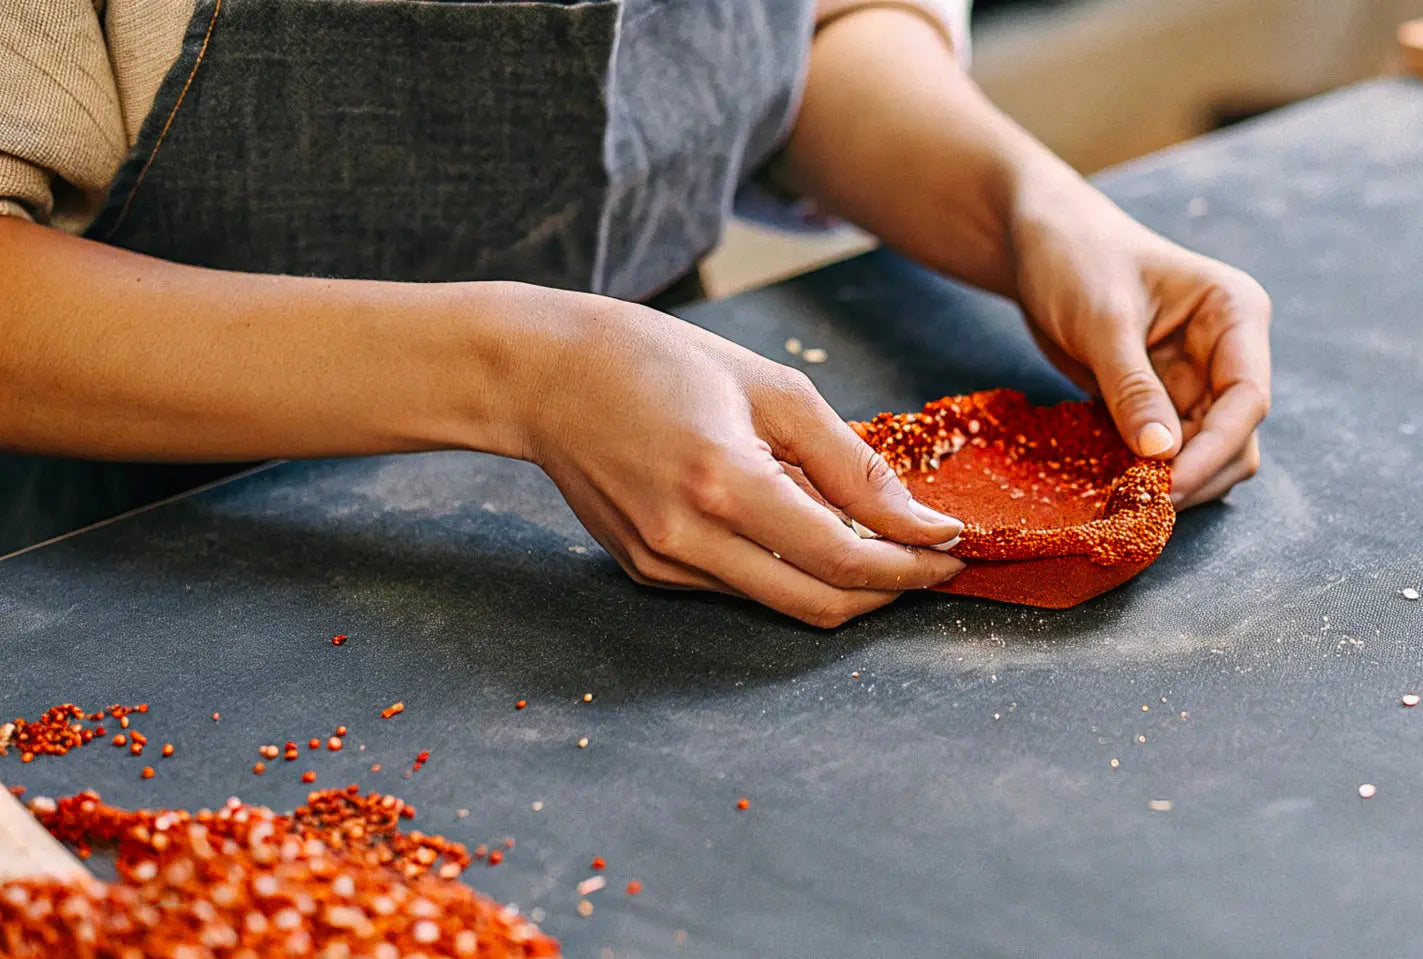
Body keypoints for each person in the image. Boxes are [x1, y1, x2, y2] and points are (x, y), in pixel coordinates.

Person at [0, 0, 1271, 626]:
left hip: (685, 439)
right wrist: (522, 373)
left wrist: (1029, 208)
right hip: (115, 556)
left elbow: (805, 41)